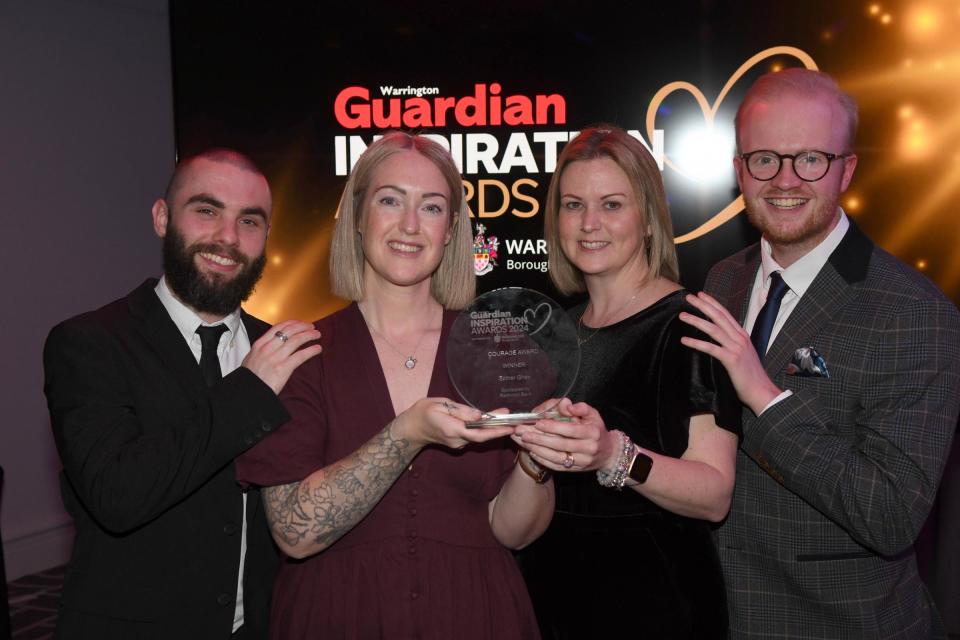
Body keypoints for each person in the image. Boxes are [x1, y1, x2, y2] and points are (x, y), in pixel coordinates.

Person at [235, 132, 553, 639]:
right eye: (390, 200)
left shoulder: (498, 352)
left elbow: (511, 530)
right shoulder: (303, 354)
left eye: (431, 207)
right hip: (338, 617)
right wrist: (407, 433)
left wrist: (539, 458)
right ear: (358, 217)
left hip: (476, 616)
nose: (410, 225)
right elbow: (295, 531)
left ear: (451, 230)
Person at [679, 68, 960, 638]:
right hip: (720, 614)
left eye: (810, 158)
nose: (785, 179)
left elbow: (891, 516)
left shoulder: (911, 309)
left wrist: (762, 395)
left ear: (846, 169)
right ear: (739, 171)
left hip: (842, 624)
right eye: (764, 159)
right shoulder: (723, 281)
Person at [43, 149, 322, 639]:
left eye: (249, 221)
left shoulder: (284, 350)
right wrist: (251, 389)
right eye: (207, 211)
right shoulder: (89, 342)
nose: (229, 238)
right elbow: (118, 495)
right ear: (162, 217)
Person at [514, 125, 741, 639]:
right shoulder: (555, 331)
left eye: (612, 204)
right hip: (553, 594)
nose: (590, 223)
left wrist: (612, 455)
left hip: (654, 602)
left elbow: (714, 493)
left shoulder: (691, 324)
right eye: (573, 205)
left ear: (647, 219)